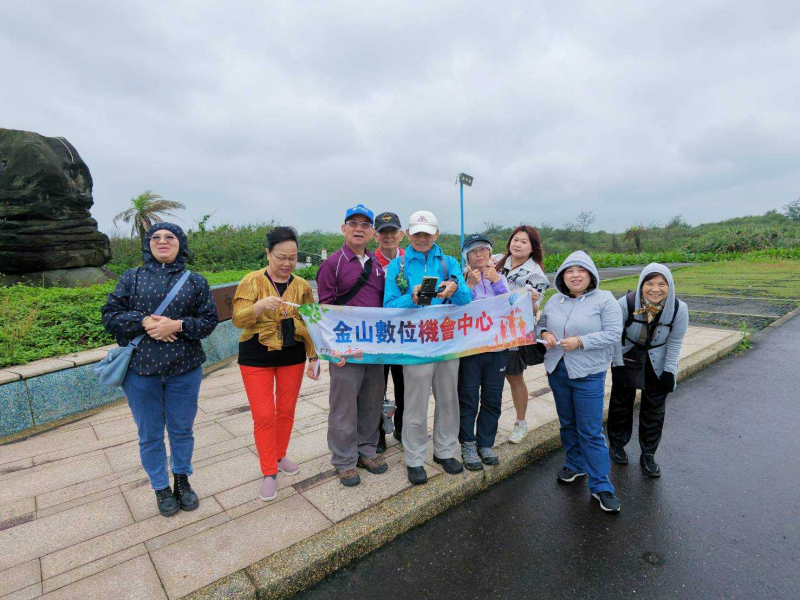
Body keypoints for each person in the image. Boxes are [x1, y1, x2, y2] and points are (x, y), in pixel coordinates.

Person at [101, 223, 219, 518]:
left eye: (170, 237)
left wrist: (175, 325)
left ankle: (181, 479)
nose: (163, 241)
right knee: (150, 434)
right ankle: (160, 487)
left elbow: (208, 321)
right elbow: (110, 316)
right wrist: (145, 322)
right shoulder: (132, 277)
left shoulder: (195, 281)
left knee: (182, 430)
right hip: (140, 372)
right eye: (156, 237)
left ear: (181, 243)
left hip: (184, 370)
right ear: (147, 244)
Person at [231, 226, 320, 502]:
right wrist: (258, 308)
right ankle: (268, 471)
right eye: (281, 257)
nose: (286, 263)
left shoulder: (302, 286)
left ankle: (280, 455)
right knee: (263, 415)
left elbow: (310, 321)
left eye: (292, 257)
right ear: (268, 253)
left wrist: (313, 356)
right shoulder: (252, 281)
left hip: (291, 354)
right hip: (256, 355)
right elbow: (237, 319)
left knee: (286, 410)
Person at [384, 210, 472, 485]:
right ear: (407, 234)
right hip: (415, 344)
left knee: (448, 399)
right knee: (415, 402)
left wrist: (453, 287)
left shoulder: (448, 262)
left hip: (447, 342)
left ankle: (445, 451)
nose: (422, 238)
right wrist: (411, 298)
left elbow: (467, 298)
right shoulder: (396, 267)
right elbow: (388, 307)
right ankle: (414, 457)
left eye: (428, 233)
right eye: (417, 233)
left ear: (436, 234)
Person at [535, 250, 623, 513]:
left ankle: (601, 485)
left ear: (591, 274)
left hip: (588, 373)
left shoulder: (605, 300)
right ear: (562, 276)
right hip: (558, 370)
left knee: (590, 429)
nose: (575, 275)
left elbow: (613, 334)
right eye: (569, 271)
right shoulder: (555, 301)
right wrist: (544, 332)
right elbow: (541, 322)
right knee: (568, 422)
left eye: (581, 270)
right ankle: (575, 464)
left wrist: (581, 342)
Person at [316, 204, 388, 487]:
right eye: (353, 224)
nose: (359, 229)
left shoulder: (379, 265)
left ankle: (366, 450)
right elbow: (325, 311)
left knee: (371, 402)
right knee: (343, 406)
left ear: (372, 232)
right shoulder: (332, 263)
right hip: (345, 349)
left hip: (375, 348)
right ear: (343, 229)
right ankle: (344, 460)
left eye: (364, 224)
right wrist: (333, 349)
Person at [607, 264, 689, 477]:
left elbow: (675, 341)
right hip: (628, 356)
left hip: (657, 360)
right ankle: (617, 445)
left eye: (662, 284)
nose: (655, 289)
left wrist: (671, 371)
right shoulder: (624, 304)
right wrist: (617, 364)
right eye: (650, 283)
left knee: (654, 408)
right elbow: (615, 336)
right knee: (620, 404)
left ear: (670, 286)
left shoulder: (679, 309)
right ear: (641, 284)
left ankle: (648, 454)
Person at [492, 225, 549, 444]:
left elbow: (533, 310)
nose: (518, 244)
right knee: (489, 379)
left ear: (532, 248)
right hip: (487, 329)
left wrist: (533, 303)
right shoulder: (496, 260)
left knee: (514, 377)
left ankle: (520, 422)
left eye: (524, 242)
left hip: (512, 333)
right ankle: (489, 422)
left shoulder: (536, 275)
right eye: (515, 240)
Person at [458, 234, 509, 470]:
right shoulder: (460, 278)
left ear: (490, 254)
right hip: (471, 349)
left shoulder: (500, 278)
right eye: (474, 251)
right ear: (467, 256)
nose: (479, 255)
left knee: (493, 397)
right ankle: (467, 442)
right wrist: (469, 285)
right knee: (468, 397)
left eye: (483, 250)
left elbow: (510, 305)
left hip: (497, 347)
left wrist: (496, 281)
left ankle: (485, 442)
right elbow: (457, 308)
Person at [372, 211, 406, 453]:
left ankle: (404, 429)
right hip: (379, 335)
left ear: (401, 234)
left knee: (406, 385)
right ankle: (378, 434)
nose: (388, 236)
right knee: (377, 387)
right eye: (383, 232)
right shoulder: (369, 261)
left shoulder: (411, 259)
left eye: (392, 231)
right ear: (375, 236)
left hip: (406, 334)